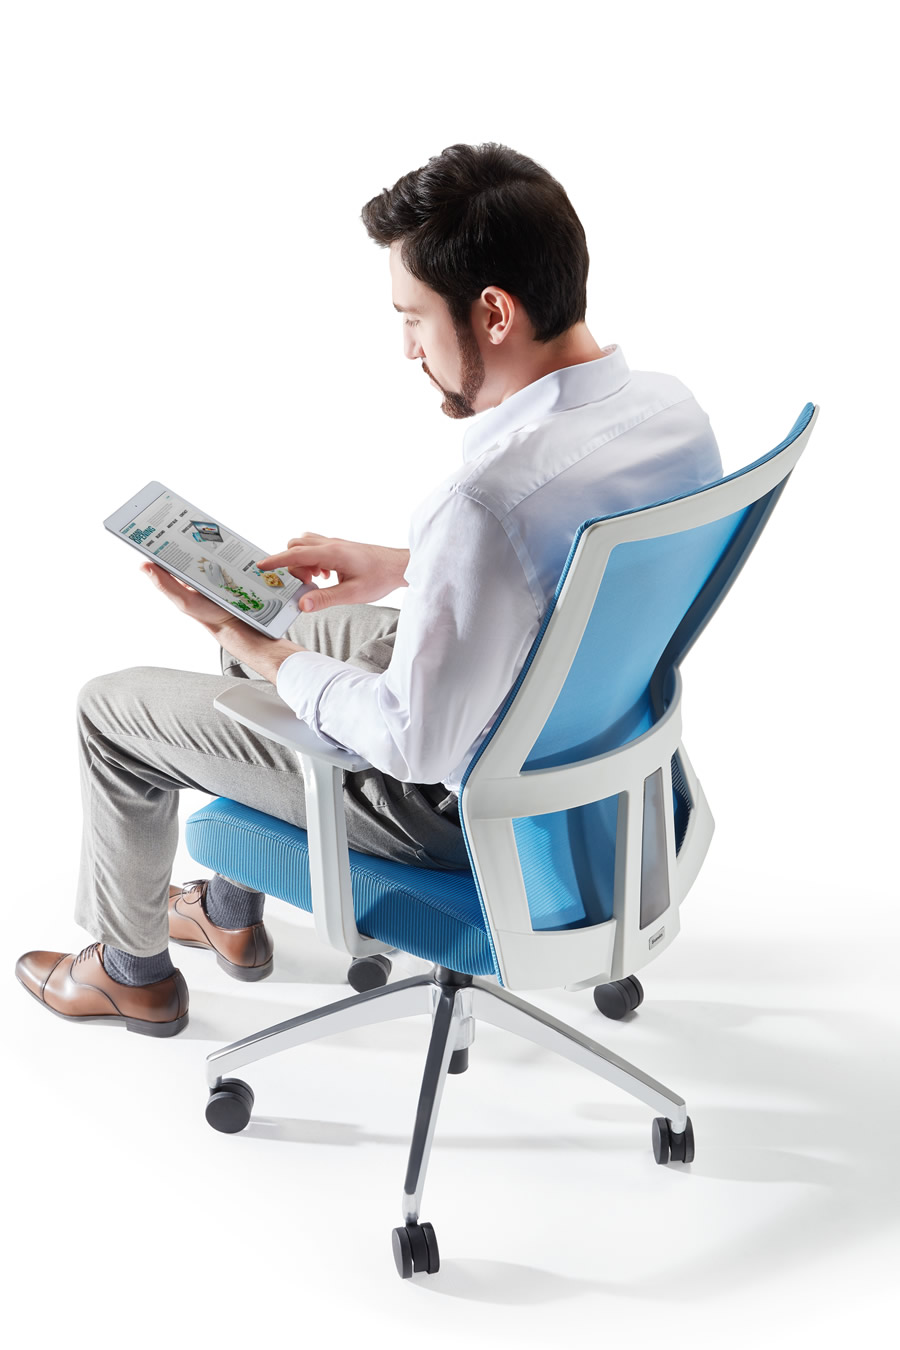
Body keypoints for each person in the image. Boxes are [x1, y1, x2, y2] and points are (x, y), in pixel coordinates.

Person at [15, 142, 722, 1036]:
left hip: (465, 809)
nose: (408, 349)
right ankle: (229, 914)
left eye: (415, 318)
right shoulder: (668, 413)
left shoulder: (485, 500)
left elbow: (408, 742)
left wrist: (252, 646)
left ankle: (131, 975)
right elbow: (572, 565)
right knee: (303, 617)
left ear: (494, 313)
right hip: (600, 774)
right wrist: (401, 564)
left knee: (113, 708)